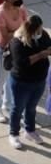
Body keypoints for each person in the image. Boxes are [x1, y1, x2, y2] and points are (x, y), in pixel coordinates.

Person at [8, 15, 50, 149]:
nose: (41, 31)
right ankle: (13, 134)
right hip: (22, 81)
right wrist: (41, 55)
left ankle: (30, 130)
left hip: (39, 79)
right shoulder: (18, 42)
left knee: (32, 107)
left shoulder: (43, 35)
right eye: (38, 29)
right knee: (17, 108)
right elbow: (21, 63)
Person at [0, 0, 27, 124]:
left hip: (18, 50)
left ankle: (8, 104)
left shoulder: (21, 9)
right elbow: (4, 36)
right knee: (0, 80)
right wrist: (21, 32)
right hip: (3, 51)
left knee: (11, 80)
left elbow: (27, 26)